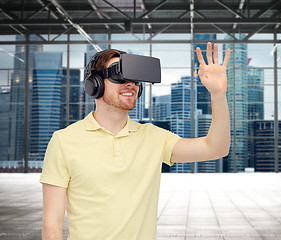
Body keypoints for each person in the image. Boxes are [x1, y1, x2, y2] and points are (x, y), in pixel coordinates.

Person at [40, 42, 231, 240]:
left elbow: (216, 148)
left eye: (135, 79)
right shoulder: (64, 141)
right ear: (94, 84)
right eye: (119, 76)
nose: (130, 84)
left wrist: (218, 95)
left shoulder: (154, 137)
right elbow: (52, 225)